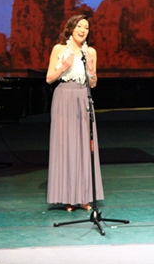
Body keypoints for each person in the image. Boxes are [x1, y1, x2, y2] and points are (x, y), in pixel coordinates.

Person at [45, 15, 103, 211]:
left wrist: (91, 69)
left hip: (83, 97)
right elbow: (49, 79)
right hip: (64, 97)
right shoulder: (59, 49)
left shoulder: (90, 52)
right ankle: (67, 197)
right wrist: (64, 66)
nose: (83, 30)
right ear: (71, 28)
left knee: (84, 146)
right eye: (79, 26)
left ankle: (84, 197)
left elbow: (93, 84)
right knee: (65, 146)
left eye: (86, 27)